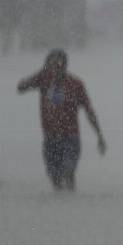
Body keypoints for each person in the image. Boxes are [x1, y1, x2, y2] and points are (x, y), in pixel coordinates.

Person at [17, 49, 106, 191]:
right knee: (55, 177)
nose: (56, 67)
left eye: (59, 63)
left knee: (68, 171)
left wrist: (99, 135)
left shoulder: (75, 84)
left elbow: (89, 110)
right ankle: (61, 207)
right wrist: (41, 72)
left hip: (70, 138)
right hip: (50, 138)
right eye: (52, 64)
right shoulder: (44, 80)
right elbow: (20, 87)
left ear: (65, 65)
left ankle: (71, 204)